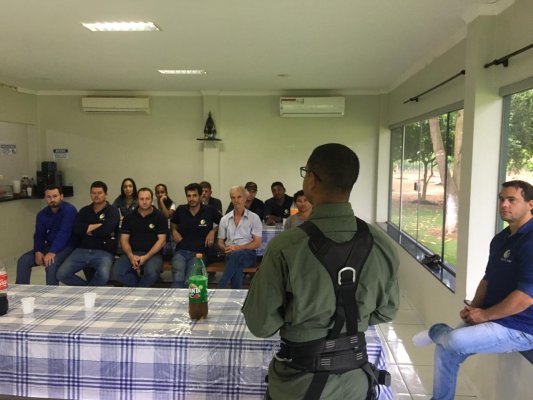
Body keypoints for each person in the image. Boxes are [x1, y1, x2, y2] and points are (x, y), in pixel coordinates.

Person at [242, 143, 400, 399]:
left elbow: (261, 325)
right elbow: (387, 310)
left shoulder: (286, 246)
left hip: (298, 384)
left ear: (312, 180)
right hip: (356, 382)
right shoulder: (381, 244)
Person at [414, 180, 533, 400]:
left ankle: (434, 331)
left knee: (453, 341)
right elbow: (488, 279)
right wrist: (474, 308)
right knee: (446, 351)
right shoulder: (500, 239)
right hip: (492, 314)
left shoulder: (530, 241)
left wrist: (485, 315)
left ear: (530, 204)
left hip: (521, 327)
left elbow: (525, 298)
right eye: (501, 199)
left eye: (512, 200)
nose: (504, 204)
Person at [57, 181, 120, 286]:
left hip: (104, 251)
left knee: (103, 276)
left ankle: (88, 291)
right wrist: (100, 225)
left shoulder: (112, 211)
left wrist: (86, 229)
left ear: (106, 194)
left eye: (99, 193)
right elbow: (76, 228)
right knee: (61, 274)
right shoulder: (84, 211)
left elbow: (106, 230)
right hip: (82, 249)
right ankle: (88, 290)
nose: (96, 195)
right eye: (93, 193)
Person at [16, 185, 77, 285]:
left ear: (61, 196)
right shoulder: (42, 214)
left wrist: (52, 251)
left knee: (50, 263)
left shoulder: (69, 210)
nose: (52, 199)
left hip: (68, 246)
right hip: (49, 246)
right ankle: (21, 291)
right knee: (23, 260)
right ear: (45, 198)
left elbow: (64, 233)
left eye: (55, 196)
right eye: (49, 197)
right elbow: (39, 235)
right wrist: (38, 251)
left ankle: (51, 292)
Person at [111, 187, 167, 287]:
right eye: (141, 199)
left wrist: (145, 257)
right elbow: (124, 239)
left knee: (152, 274)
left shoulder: (160, 217)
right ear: (137, 200)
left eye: (147, 199)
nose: (144, 202)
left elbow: (162, 241)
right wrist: (131, 256)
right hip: (132, 253)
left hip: (152, 255)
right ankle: (138, 286)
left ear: (152, 200)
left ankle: (137, 290)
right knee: (116, 274)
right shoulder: (129, 217)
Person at [170, 183, 221, 288]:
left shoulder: (209, 210)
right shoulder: (181, 209)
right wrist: (174, 231)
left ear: (200, 196)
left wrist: (213, 231)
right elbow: (173, 223)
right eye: (189, 196)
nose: (191, 199)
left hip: (199, 253)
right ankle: (176, 298)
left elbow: (224, 223)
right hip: (181, 252)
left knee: (190, 280)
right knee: (178, 277)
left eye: (194, 195)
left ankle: (189, 298)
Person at [217, 186, 262, 289]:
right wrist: (225, 248)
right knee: (235, 262)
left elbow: (257, 243)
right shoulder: (224, 219)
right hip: (229, 253)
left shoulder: (254, 218)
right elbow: (220, 242)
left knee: (236, 255)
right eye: (233, 197)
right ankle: (236, 293)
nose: (236, 200)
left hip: (248, 254)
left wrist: (238, 248)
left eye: (239, 197)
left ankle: (221, 287)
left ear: (245, 198)